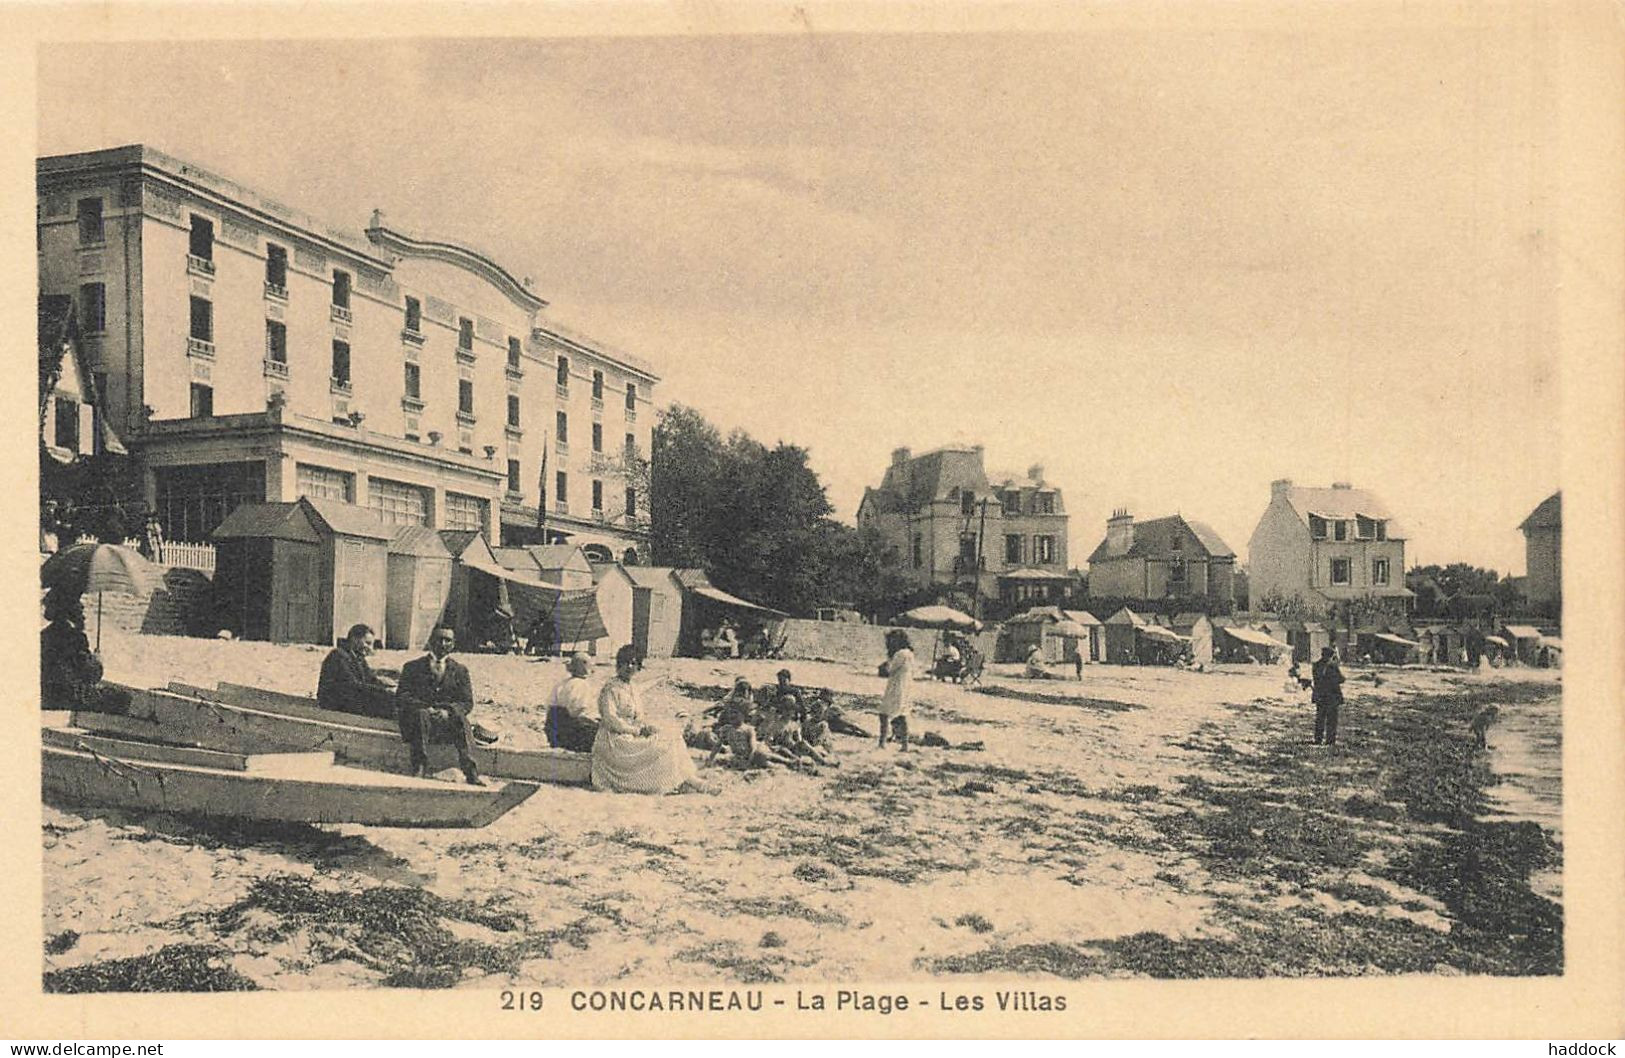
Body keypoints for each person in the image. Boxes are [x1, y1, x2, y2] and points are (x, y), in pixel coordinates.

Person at [592, 645, 707, 794]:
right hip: (613, 741)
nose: (629, 666)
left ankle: (687, 779)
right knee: (661, 747)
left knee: (673, 737)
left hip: (631, 734)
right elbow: (610, 720)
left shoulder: (632, 687)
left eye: (634, 663)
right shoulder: (610, 689)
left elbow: (638, 714)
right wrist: (637, 730)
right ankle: (691, 782)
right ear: (618, 665)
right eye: (626, 662)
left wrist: (645, 727)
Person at [396, 626, 482, 784]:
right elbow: (402, 696)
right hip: (419, 722)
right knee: (420, 715)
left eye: (447, 640)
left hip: (446, 724)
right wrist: (424, 707)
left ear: (453, 644)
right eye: (438, 639)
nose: (442, 643)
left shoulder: (460, 671)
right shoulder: (412, 667)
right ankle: (419, 767)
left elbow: (466, 702)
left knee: (461, 720)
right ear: (430, 642)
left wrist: (448, 711)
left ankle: (471, 772)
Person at [40, 589, 128, 713]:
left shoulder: (44, 635)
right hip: (70, 697)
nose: (83, 615)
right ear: (70, 611)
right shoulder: (75, 637)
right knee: (122, 697)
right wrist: (97, 660)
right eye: (80, 610)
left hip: (47, 698)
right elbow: (91, 675)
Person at [317, 624, 396, 719]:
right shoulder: (338, 656)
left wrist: (385, 685)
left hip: (349, 699)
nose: (370, 648)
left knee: (391, 699)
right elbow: (352, 685)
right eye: (367, 643)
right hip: (335, 704)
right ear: (354, 639)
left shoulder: (357, 657)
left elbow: (370, 679)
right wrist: (383, 691)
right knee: (386, 703)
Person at [545, 652, 600, 751]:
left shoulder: (561, 684)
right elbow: (576, 712)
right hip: (570, 731)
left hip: (553, 729)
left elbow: (549, 706)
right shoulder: (582, 685)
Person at [879, 630, 915, 751]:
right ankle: (905, 744)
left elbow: (889, 670)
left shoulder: (899, 654)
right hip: (906, 686)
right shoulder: (910, 653)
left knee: (884, 714)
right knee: (902, 714)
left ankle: (882, 742)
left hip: (896, 687)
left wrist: (885, 665)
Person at [1310, 646, 1345, 746]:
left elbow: (1316, 679)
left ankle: (1318, 739)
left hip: (1320, 695)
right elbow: (1341, 679)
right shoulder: (1333, 666)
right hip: (1332, 696)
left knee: (1320, 718)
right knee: (1332, 719)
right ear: (1330, 656)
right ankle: (1330, 740)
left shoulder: (1316, 665)